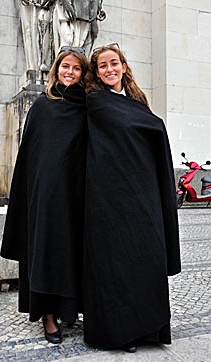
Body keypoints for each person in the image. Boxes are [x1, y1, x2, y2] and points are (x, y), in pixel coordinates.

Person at [83, 44, 181, 352]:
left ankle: (150, 329)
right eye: (102, 66)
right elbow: (145, 128)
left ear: (124, 66)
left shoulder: (138, 101)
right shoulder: (96, 101)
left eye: (114, 63)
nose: (109, 69)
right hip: (110, 198)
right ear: (96, 73)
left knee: (146, 258)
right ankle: (121, 332)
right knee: (117, 265)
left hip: (144, 194)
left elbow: (148, 132)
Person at [0, 47, 89, 344]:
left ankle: (71, 308)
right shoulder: (42, 105)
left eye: (77, 68)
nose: (70, 72)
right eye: (66, 66)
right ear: (56, 69)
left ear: (82, 73)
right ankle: (48, 316)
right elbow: (30, 156)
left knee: (72, 251)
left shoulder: (86, 107)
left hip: (76, 194)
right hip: (46, 196)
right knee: (47, 250)